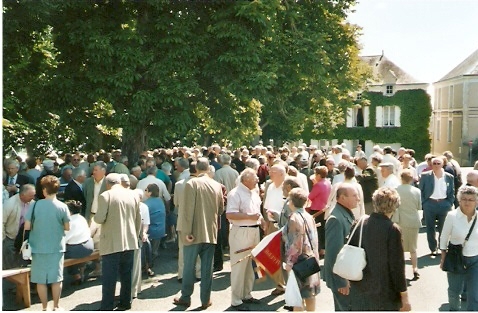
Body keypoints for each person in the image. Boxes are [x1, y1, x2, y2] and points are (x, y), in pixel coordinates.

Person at [173, 158, 224, 310]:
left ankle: (186, 297)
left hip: (193, 232)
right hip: (210, 231)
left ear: (195, 169)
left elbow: (188, 210)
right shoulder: (216, 185)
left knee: (189, 267)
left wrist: (187, 231)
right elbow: (221, 209)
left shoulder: (191, 183)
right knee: (207, 269)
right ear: (208, 169)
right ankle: (205, 299)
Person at [348, 187, 411, 311]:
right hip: (384, 292)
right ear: (395, 206)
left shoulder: (359, 223)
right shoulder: (392, 229)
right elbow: (397, 266)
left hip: (359, 288)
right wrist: (404, 295)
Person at [94, 173, 141, 311]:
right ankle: (126, 302)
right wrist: (135, 235)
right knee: (126, 274)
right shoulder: (133, 195)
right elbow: (138, 219)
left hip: (112, 242)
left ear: (108, 184)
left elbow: (99, 219)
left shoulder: (105, 196)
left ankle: (107, 306)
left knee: (109, 277)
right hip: (130, 240)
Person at [24, 175, 70, 311]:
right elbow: (67, 227)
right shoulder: (62, 206)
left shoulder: (35, 205)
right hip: (56, 247)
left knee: (40, 280)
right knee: (56, 279)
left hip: (37, 247)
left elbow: (27, 226)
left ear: (44, 189)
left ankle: (44, 307)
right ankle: (56, 306)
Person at [226, 168, 266, 311]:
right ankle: (236, 300)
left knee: (251, 266)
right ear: (246, 180)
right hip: (241, 232)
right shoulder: (235, 194)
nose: (257, 179)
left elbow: (257, 212)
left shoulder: (254, 193)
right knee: (239, 266)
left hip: (254, 231)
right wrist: (250, 217)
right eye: (255, 177)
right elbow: (230, 214)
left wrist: (261, 221)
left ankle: (246, 294)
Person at [440, 185, 478, 311]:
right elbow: (444, 237)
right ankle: (454, 310)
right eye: (464, 199)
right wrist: (443, 256)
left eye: (471, 199)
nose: (467, 202)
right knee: (454, 292)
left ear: (476, 202)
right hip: (456, 259)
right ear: (459, 200)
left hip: (475, 260)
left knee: (474, 294)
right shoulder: (452, 216)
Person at [283, 187, 321, 311]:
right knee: (310, 295)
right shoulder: (308, 216)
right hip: (311, 260)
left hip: (299, 262)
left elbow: (296, 242)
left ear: (292, 202)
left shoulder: (294, 218)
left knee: (297, 297)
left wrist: (289, 262)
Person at [323, 183, 359, 311]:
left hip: (346, 272)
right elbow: (334, 253)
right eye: (354, 196)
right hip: (341, 277)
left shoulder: (344, 213)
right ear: (342, 198)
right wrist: (341, 281)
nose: (358, 199)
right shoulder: (336, 219)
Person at [419, 157, 455, 257]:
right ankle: (433, 248)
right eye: (434, 163)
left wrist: (449, 203)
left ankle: (442, 247)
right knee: (430, 228)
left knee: (443, 228)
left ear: (442, 164)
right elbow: (420, 190)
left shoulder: (449, 177)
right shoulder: (425, 176)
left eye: (438, 163)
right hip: (430, 203)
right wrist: (424, 203)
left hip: (444, 204)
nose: (436, 165)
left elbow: (452, 192)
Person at [392, 170, 422, 280]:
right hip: (413, 221)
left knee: (399, 248)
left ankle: (401, 272)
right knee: (413, 248)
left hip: (400, 221)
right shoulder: (417, 191)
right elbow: (419, 206)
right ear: (411, 179)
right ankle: (415, 269)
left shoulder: (396, 190)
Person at [3, 184, 36, 269]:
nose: (32, 198)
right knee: (10, 264)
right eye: (30, 196)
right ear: (22, 195)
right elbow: (1, 222)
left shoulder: (33, 204)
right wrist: (3, 238)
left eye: (33, 195)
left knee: (23, 263)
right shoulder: (10, 203)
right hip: (10, 237)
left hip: (26, 239)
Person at [64, 200, 94, 285]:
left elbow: (64, 239)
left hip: (78, 249)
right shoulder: (81, 218)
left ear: (69, 211)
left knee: (61, 253)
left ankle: (76, 275)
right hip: (89, 245)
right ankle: (79, 273)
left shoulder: (69, 222)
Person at [307, 166, 331, 258]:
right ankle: (323, 249)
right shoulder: (328, 182)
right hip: (324, 209)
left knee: (316, 229)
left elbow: (310, 196)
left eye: (316, 174)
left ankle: (317, 248)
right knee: (323, 229)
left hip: (316, 209)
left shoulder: (318, 185)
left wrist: (314, 184)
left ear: (319, 175)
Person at [144, 183, 166, 264]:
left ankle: (148, 264)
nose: (145, 191)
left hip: (151, 231)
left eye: (146, 190)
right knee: (154, 249)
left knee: (148, 251)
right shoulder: (160, 200)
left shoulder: (146, 204)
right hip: (161, 229)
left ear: (150, 192)